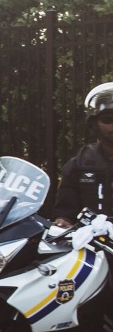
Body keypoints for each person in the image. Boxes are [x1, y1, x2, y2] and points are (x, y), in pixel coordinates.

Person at [51, 82, 113, 227]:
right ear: (93, 124)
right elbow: (65, 213)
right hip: (89, 244)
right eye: (108, 120)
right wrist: (63, 222)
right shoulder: (80, 164)